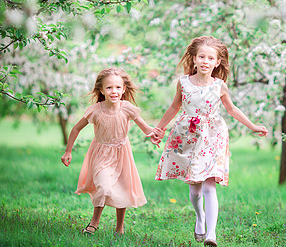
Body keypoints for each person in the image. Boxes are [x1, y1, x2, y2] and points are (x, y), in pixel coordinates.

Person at [148, 36, 268, 246]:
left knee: (209, 186)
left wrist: (253, 126)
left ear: (217, 62)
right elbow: (174, 107)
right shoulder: (183, 82)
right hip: (187, 135)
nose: (205, 61)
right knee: (195, 189)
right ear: (194, 59)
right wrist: (159, 128)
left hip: (212, 136)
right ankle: (200, 217)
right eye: (201, 56)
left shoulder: (219, 86)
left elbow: (232, 109)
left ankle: (211, 234)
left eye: (210, 58)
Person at [61, 67, 163, 235]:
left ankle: (119, 228)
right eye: (109, 87)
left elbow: (146, 128)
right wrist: (68, 151)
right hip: (101, 154)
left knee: (122, 189)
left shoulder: (127, 108)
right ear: (102, 90)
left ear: (123, 89)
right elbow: (75, 129)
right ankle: (95, 222)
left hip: (122, 153)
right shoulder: (95, 110)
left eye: (117, 87)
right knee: (103, 185)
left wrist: (152, 134)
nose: (113, 91)